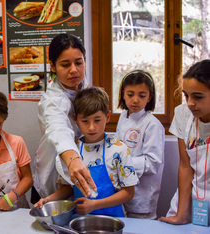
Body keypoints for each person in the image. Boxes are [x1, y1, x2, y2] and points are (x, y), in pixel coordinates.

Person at [35, 87, 139, 216]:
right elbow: (69, 187)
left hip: (112, 220)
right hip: (80, 220)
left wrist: (95, 205)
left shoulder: (119, 149)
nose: (91, 127)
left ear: (107, 116)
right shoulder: (72, 152)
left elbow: (129, 193)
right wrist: (49, 200)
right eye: (85, 121)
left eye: (97, 120)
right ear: (76, 119)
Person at [33, 33, 96, 203]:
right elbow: (58, 129)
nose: (74, 70)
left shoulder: (83, 85)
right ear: (52, 66)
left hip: (79, 171)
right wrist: (74, 160)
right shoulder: (52, 101)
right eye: (65, 64)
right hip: (53, 178)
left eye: (79, 62)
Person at [159, 60, 210, 225]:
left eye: (198, 97)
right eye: (186, 95)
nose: (190, 103)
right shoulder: (182, 114)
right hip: (190, 199)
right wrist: (181, 214)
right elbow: (185, 166)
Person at [115, 70, 165, 219]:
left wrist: (121, 163)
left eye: (142, 95)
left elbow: (152, 162)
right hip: (123, 191)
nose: (135, 100)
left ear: (149, 97)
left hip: (142, 197)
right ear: (123, 94)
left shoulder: (152, 125)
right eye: (130, 95)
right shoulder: (123, 116)